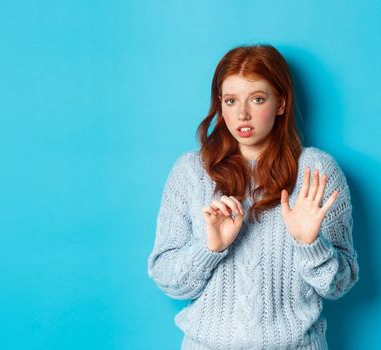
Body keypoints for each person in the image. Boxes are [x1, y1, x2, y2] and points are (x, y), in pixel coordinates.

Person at [146, 44, 359, 349]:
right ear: (220, 105)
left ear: (281, 103)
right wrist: (210, 247)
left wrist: (310, 244)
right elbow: (168, 281)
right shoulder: (191, 172)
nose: (242, 114)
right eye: (231, 101)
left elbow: (339, 285)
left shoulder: (316, 170)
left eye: (257, 99)